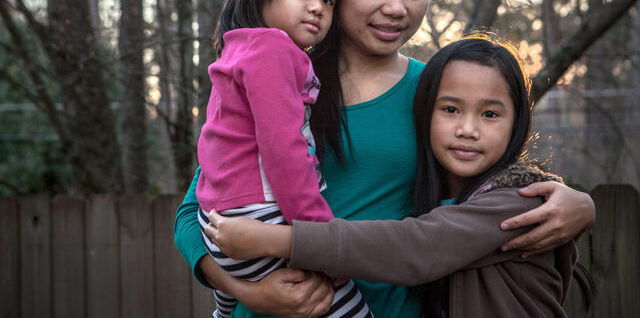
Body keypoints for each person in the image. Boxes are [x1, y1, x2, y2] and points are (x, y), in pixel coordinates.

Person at [175, 0, 595, 317]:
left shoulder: (439, 92)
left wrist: (579, 205)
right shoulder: (277, 80)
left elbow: (479, 202)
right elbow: (196, 210)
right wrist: (242, 290)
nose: (397, 8)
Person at [205, 35, 591, 318]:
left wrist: (279, 239)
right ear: (423, 114)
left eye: (490, 114)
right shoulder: (295, 94)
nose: (468, 129)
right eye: (450, 110)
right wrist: (239, 289)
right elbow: (200, 198)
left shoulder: (518, 200)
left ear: (517, 123)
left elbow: (413, 246)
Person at [195, 0, 372, 318]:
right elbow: (284, 151)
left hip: (216, 219)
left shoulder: (238, 48)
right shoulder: (272, 50)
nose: (318, 7)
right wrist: (323, 243)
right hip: (259, 216)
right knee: (349, 309)